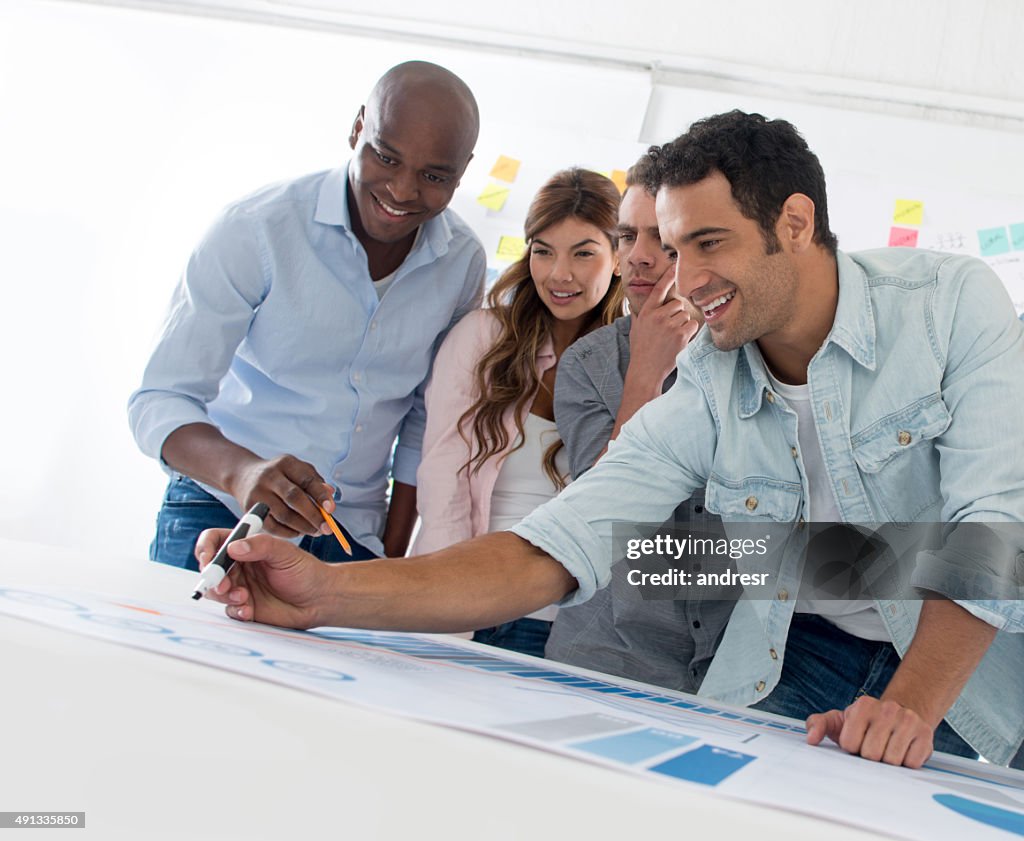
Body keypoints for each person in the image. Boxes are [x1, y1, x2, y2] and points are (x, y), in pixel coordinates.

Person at [197, 110, 1024, 770]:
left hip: (976, 669)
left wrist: (909, 694)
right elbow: (557, 543)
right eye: (666, 246)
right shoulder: (702, 375)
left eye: (709, 243)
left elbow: (993, 525)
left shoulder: (951, 303)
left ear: (796, 223)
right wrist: (327, 593)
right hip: (791, 655)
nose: (682, 276)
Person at [128, 61, 484, 570]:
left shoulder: (462, 260)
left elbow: (424, 418)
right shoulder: (256, 228)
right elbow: (160, 400)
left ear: (463, 170)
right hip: (221, 509)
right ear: (358, 127)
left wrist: (394, 557)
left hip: (352, 538)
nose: (404, 192)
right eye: (386, 157)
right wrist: (243, 473)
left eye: (434, 176)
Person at [413, 168, 624, 657]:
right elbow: (443, 476)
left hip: (566, 621)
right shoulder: (484, 337)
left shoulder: (631, 362)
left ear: (619, 259)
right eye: (543, 250)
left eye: (584, 252)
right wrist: (455, 600)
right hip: (464, 600)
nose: (559, 274)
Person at [546, 158, 739, 689]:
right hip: (604, 650)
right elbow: (599, 522)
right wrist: (646, 376)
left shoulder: (754, 359)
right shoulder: (589, 364)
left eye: (664, 241)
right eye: (627, 236)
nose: (639, 257)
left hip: (729, 667)